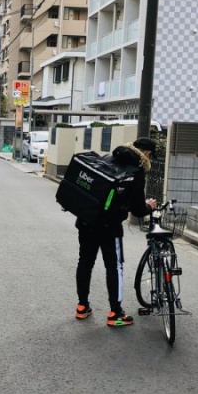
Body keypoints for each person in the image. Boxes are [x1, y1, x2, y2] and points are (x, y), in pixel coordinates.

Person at [75, 137, 158, 327]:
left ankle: (82, 306)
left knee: (85, 262)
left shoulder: (107, 158)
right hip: (110, 227)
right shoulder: (135, 172)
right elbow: (138, 210)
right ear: (147, 153)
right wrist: (149, 206)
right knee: (114, 266)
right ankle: (115, 313)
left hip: (86, 221)